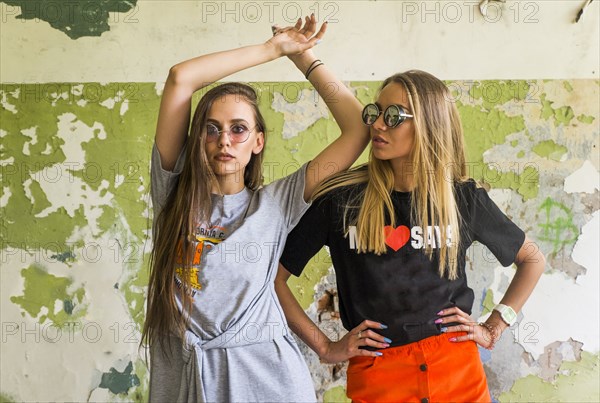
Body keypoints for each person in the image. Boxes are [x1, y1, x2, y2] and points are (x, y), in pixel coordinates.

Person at [276, 70, 546, 402]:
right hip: (378, 374)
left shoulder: (462, 198)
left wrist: (493, 327)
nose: (376, 125)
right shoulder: (340, 201)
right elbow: (273, 278)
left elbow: (532, 259)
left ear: (428, 126)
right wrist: (324, 347)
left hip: (457, 372)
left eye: (393, 117)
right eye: (375, 113)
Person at [141, 15, 370, 402]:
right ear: (197, 138)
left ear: (258, 142)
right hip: (188, 377)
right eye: (211, 128)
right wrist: (272, 50)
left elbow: (358, 129)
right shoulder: (173, 193)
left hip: (268, 379)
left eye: (238, 129)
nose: (224, 141)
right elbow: (181, 77)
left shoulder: (277, 203)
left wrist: (304, 59)